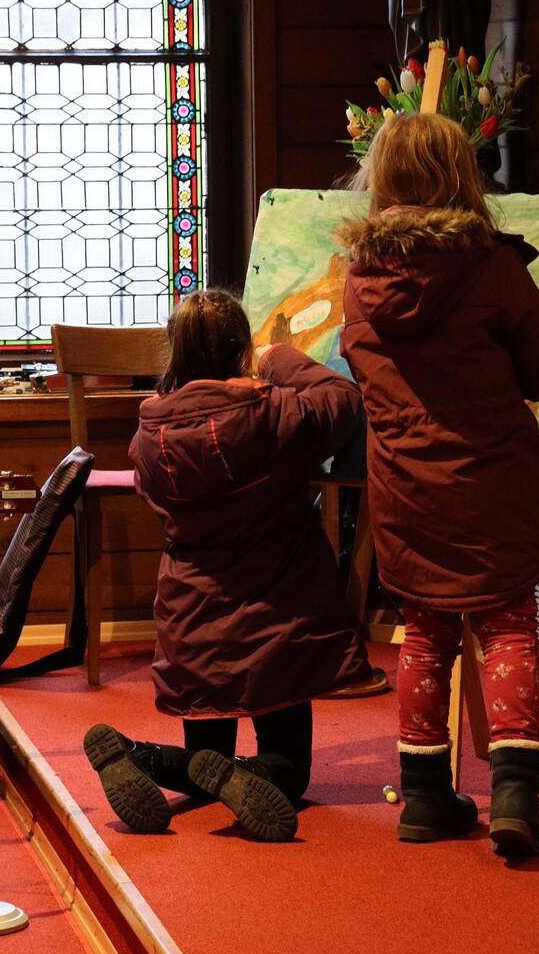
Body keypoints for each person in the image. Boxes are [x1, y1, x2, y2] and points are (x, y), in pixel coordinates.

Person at [335, 112, 539, 859]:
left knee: (425, 633)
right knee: (506, 626)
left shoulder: (359, 279)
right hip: (492, 480)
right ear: (459, 177)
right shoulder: (492, 266)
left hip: (406, 486)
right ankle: (514, 797)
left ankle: (423, 800)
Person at [82, 288, 368, 843]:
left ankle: (137, 755)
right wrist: (275, 356)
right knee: (290, 770)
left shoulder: (149, 436)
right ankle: (231, 773)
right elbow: (343, 397)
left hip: (194, 630)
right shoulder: (275, 414)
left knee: (206, 761)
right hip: (278, 624)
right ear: (241, 349)